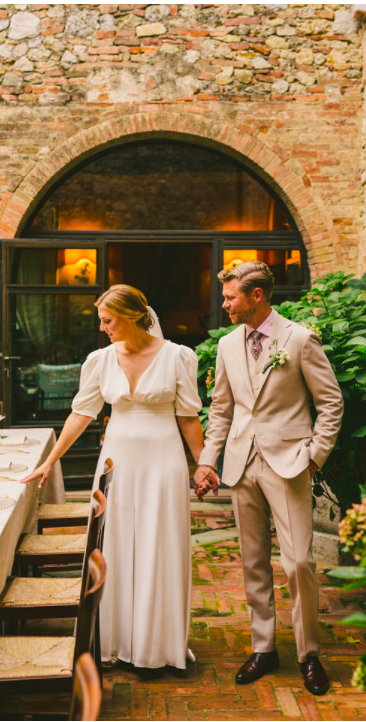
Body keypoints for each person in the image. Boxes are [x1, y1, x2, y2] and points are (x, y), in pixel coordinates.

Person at [21, 284, 205, 669]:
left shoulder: (177, 357)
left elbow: (188, 417)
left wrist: (203, 464)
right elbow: (81, 414)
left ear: (133, 317)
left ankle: (157, 647)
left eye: (108, 320)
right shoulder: (100, 360)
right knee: (113, 545)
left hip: (163, 460)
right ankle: (116, 641)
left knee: (160, 543)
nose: (102, 327)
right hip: (115, 462)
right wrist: (50, 460)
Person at [194, 261, 343, 696]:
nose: (224, 304)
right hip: (241, 464)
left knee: (298, 562)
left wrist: (314, 456)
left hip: (290, 462)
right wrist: (208, 460)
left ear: (256, 296)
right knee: (252, 561)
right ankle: (264, 648)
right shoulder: (225, 345)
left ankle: (308, 653)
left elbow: (330, 402)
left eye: (230, 297)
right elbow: (221, 409)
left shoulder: (299, 339)